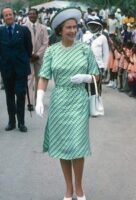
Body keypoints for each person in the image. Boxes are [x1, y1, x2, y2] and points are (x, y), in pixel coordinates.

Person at [35, 8, 99, 200]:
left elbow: (97, 75)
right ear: (60, 30)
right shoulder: (52, 51)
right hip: (59, 100)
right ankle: (68, 189)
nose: (72, 30)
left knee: (78, 144)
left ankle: (79, 189)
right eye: (68, 27)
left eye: (74, 26)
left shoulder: (84, 49)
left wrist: (86, 77)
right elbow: (44, 76)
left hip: (78, 100)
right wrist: (39, 98)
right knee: (63, 145)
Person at [0, 7, 32, 132]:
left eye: (10, 14)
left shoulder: (23, 30)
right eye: (6, 15)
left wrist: (23, 61)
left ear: (14, 16)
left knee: (20, 94)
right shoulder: (0, 32)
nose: (8, 17)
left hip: (20, 70)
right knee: (9, 96)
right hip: (7, 70)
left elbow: (29, 49)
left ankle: (21, 123)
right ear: (3, 18)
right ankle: (11, 122)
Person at [24, 8, 49, 110]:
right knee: (29, 79)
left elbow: (45, 43)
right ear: (28, 15)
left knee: (39, 80)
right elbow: (22, 43)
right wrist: (30, 54)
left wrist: (37, 55)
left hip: (39, 58)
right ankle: (30, 102)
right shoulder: (24, 27)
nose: (32, 16)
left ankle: (38, 100)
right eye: (30, 14)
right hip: (29, 58)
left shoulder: (43, 28)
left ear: (37, 15)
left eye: (34, 14)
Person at [84, 16, 109, 94]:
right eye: (91, 25)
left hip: (98, 65)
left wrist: (104, 68)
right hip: (86, 64)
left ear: (99, 26)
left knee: (96, 88)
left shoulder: (103, 38)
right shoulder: (85, 36)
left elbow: (106, 54)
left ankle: (96, 105)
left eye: (95, 25)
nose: (93, 27)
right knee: (85, 87)